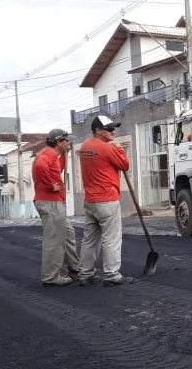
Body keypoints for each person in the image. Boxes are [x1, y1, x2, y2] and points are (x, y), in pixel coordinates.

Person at [75, 114, 135, 286]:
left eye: (113, 128)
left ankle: (85, 273)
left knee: (89, 239)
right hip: (107, 200)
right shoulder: (107, 148)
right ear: (98, 130)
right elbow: (125, 165)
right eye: (109, 129)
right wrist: (117, 148)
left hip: (91, 200)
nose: (113, 132)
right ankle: (111, 275)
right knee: (111, 238)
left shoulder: (85, 147)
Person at [33, 128, 81, 286]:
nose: (69, 143)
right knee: (54, 239)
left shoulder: (56, 154)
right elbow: (40, 166)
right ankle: (50, 276)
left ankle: (74, 268)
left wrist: (66, 153)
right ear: (59, 141)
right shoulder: (48, 153)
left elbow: (55, 169)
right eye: (67, 141)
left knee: (67, 234)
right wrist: (49, 185)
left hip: (54, 201)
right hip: (49, 201)